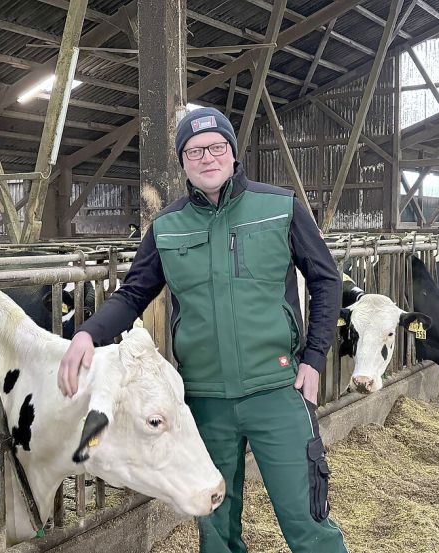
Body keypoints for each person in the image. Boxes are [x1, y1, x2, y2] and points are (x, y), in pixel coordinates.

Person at [58, 107, 348, 552]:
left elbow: (327, 279)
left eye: (216, 147)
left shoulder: (280, 207)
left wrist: (314, 357)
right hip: (205, 403)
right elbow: (133, 294)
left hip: (278, 390)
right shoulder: (168, 228)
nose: (206, 157)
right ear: (183, 162)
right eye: (194, 151)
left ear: (232, 153)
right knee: (214, 530)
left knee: (308, 525)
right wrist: (87, 333)